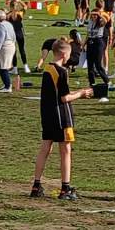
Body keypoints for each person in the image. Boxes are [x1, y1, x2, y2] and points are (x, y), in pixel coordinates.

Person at [31, 37, 94, 201]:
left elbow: (56, 93)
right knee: (66, 150)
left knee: (45, 148)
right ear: (64, 54)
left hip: (47, 114)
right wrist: (81, 94)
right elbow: (64, 98)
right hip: (62, 115)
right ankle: (65, 188)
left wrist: (76, 92)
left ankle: (36, 185)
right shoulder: (62, 71)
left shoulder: (47, 69)